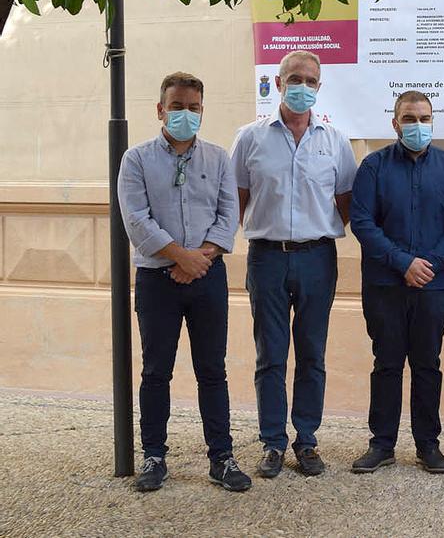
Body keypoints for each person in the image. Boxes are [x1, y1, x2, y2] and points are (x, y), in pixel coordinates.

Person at [117, 71, 251, 493]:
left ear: (202, 111)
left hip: (208, 278)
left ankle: (222, 458)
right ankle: (154, 456)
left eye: (193, 108)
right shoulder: (135, 160)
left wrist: (200, 259)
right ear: (160, 110)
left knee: (213, 370)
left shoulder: (218, 158)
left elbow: (229, 216)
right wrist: (180, 257)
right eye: (177, 107)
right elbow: (136, 219)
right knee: (156, 371)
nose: (185, 115)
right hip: (158, 281)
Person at [230, 50, 357, 478]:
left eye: (310, 80)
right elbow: (237, 199)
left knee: (312, 354)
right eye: (294, 78)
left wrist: (314, 232)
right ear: (279, 82)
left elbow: (345, 203)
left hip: (318, 258)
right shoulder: (250, 137)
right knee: (270, 354)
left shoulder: (335, 140)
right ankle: (271, 442)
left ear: (319, 88)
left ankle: (306, 440)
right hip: (266, 257)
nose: (302, 86)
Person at [349, 91, 444, 475]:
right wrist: (403, 263)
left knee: (427, 364)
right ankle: (382, 444)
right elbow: (363, 223)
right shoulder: (373, 167)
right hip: (385, 285)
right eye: (409, 118)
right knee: (386, 363)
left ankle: (428, 445)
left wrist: (429, 265)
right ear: (395, 123)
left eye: (423, 118)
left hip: (434, 286)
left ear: (433, 121)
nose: (417, 126)